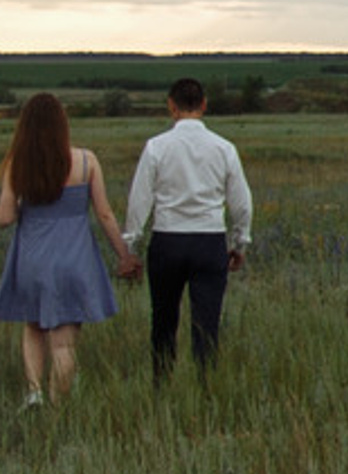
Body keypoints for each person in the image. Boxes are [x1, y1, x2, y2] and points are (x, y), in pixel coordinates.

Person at [0, 91, 141, 404]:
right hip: (74, 259)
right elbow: (104, 214)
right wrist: (124, 256)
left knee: (33, 326)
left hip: (32, 257)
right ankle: (58, 407)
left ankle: (34, 394)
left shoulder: (15, 164)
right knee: (63, 345)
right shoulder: (86, 161)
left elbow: (5, 216)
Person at [125, 76, 254, 380]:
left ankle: (161, 382)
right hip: (209, 242)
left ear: (171, 107)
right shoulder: (224, 148)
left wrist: (130, 245)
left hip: (167, 241)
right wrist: (240, 242)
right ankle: (206, 385)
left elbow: (139, 200)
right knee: (207, 321)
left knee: (163, 319)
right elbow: (242, 203)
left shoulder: (156, 147)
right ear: (204, 105)